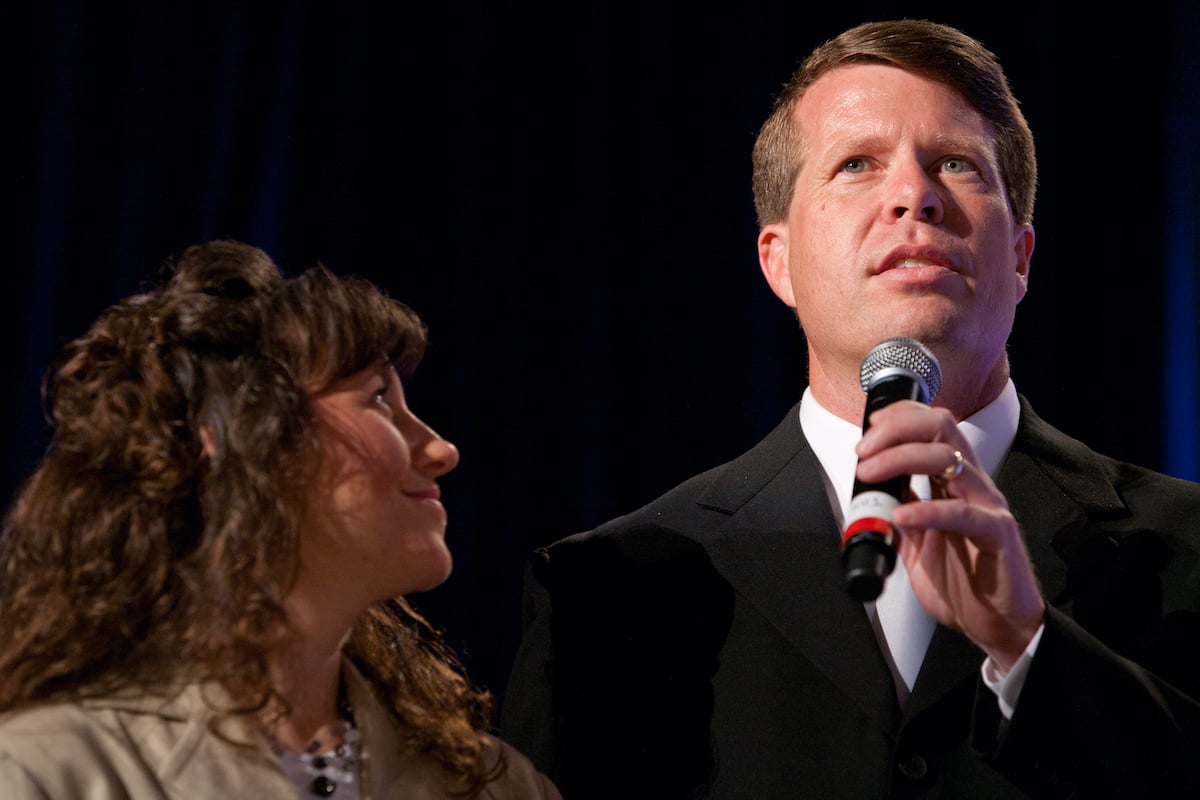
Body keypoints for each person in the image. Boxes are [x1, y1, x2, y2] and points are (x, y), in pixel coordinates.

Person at [500, 19, 1200, 798]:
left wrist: (1029, 647)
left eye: (956, 164)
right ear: (779, 262)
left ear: (1021, 257)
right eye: (858, 165)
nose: (914, 196)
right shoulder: (611, 586)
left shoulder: (1188, 546)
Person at [0, 240, 561, 799]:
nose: (441, 450)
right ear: (239, 441)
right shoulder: (50, 773)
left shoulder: (495, 785)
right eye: (378, 400)